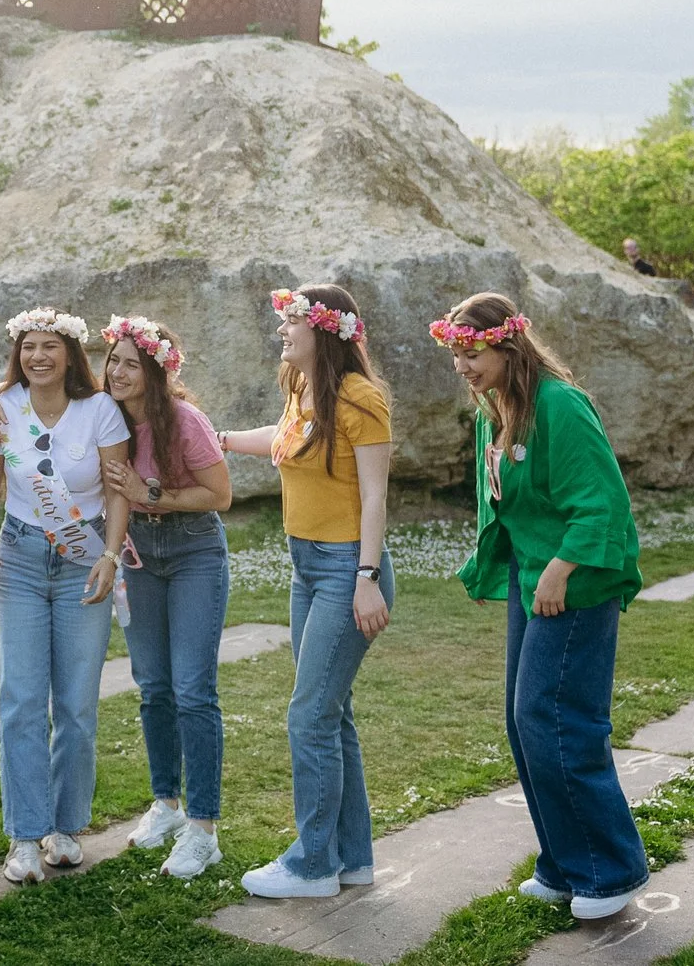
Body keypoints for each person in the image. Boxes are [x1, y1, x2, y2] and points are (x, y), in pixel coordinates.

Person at [438, 292, 648, 921]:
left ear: (507, 343)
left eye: (470, 351)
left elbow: (600, 503)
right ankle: (562, 863)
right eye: (454, 353)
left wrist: (558, 571)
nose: (461, 365)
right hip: (530, 581)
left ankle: (611, 872)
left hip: (574, 584)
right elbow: (502, 502)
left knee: (557, 719)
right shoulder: (493, 411)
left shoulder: (560, 404)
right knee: (523, 720)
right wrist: (498, 570)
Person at [217, 284, 394, 900]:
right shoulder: (302, 388)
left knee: (309, 716)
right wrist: (223, 441)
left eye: (293, 323)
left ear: (325, 331)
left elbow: (374, 495)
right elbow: (286, 437)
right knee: (330, 713)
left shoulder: (361, 399)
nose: (283, 332)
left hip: (348, 568)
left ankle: (311, 864)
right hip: (305, 566)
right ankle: (351, 859)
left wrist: (367, 581)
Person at [0, 308, 134, 884]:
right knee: (20, 697)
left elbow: (118, 493)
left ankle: (63, 828)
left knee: (76, 703)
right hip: (18, 554)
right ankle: (21, 835)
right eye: (28, 346)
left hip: (82, 558)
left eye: (50, 346)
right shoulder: (4, 409)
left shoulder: (100, 412)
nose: (38, 356)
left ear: (70, 354)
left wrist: (110, 556)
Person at [97, 316, 234, 878]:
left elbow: (220, 495)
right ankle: (167, 806)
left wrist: (150, 491)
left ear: (155, 372)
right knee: (152, 686)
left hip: (194, 549)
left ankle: (204, 829)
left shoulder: (184, 420)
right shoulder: (107, 418)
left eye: (132, 363)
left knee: (192, 690)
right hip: (138, 554)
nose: (117, 371)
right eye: (113, 360)